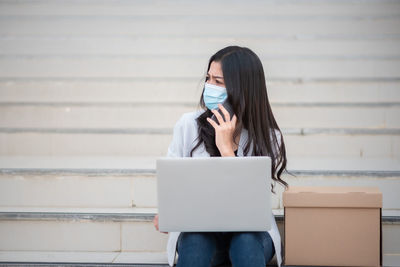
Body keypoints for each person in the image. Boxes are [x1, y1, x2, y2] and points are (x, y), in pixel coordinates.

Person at [153, 46, 289, 267]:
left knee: (244, 242)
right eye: (208, 79)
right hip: (201, 231)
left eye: (218, 81)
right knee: (196, 242)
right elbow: (172, 182)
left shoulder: (269, 136)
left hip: (252, 236)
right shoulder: (188, 125)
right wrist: (170, 213)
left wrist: (227, 150)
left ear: (242, 88)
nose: (209, 87)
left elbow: (250, 202)